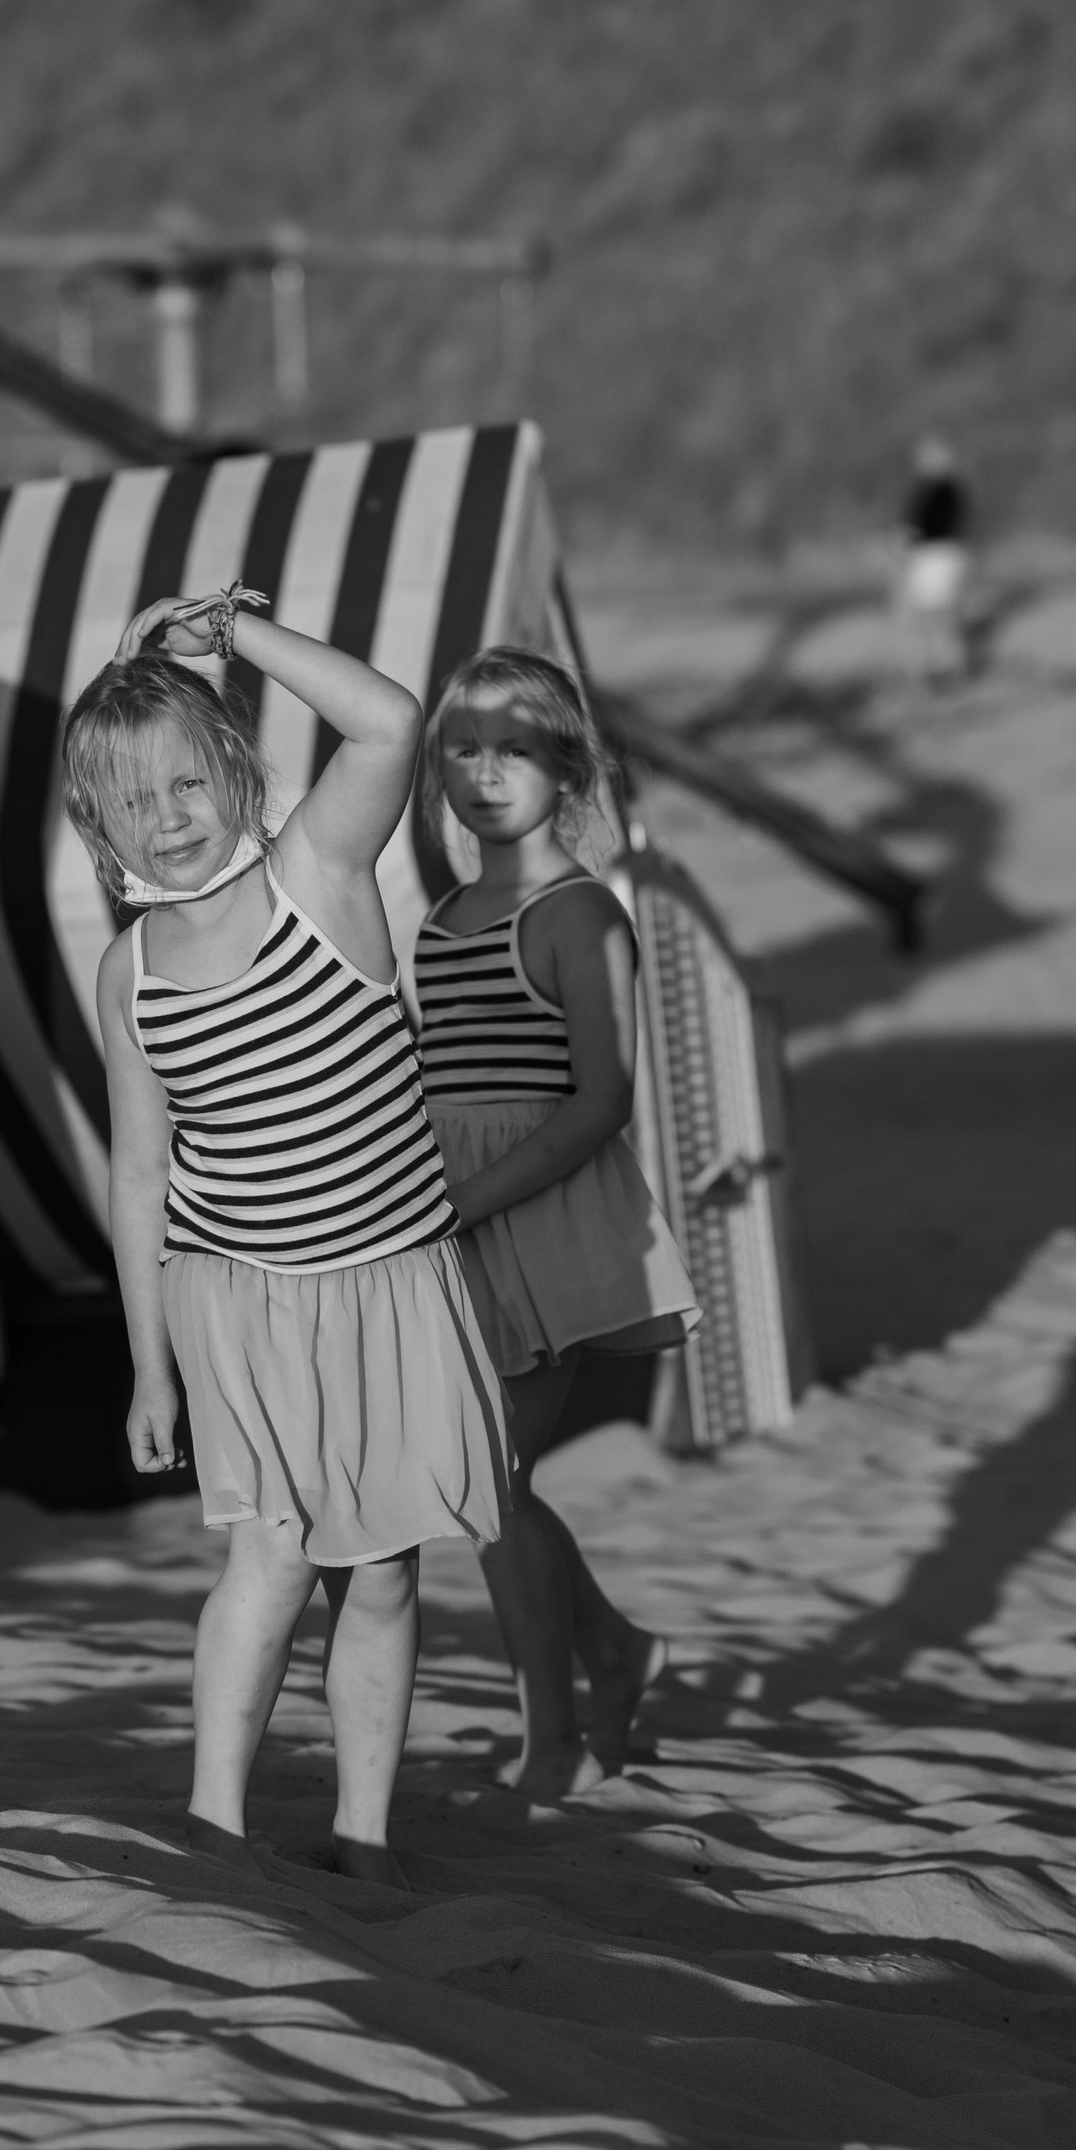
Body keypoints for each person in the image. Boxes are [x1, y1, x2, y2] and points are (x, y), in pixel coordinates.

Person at [63, 583, 508, 1886]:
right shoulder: (132, 973)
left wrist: (229, 635)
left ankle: (363, 1838)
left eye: (186, 780)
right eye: (133, 799)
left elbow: (390, 721)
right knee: (268, 1556)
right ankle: (215, 1824)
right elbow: (139, 1174)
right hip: (242, 1299)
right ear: (97, 826)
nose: (168, 815)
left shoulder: (319, 871)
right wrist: (147, 1363)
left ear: (237, 768)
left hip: (391, 1284)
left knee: (381, 1572)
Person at [414, 646, 700, 1800]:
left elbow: (602, 1100)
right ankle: (615, 1650)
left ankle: (554, 1738)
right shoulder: (443, 918)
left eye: (515, 750)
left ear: (570, 769)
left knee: (491, 1480)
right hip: (454, 1224)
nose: (486, 774)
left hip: (538, 1220)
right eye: (463, 750)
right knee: (489, 1480)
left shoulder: (579, 914)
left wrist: (463, 1202)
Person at [898, 434, 976, 682]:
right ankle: (936, 665)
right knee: (929, 616)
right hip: (930, 556)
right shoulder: (928, 489)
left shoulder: (946, 489)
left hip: (939, 556)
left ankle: (950, 666)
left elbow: (935, 525)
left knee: (941, 615)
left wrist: (908, 538)